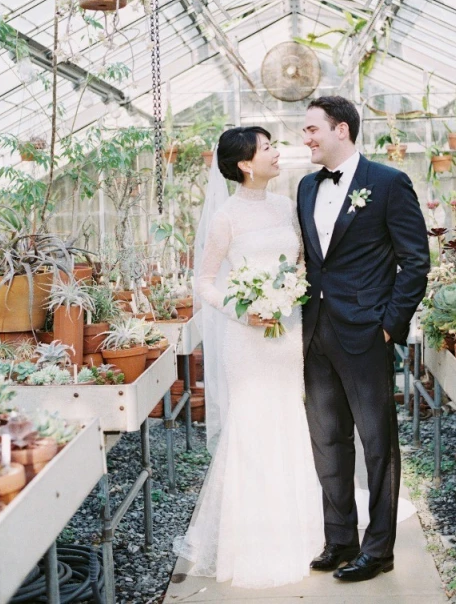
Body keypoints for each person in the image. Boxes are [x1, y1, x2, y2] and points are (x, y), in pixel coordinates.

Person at [173, 126, 324, 589]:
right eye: (268, 148)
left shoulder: (285, 207)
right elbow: (204, 281)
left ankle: (302, 531)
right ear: (244, 164)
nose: (278, 153)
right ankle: (253, 540)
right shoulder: (226, 218)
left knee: (287, 421)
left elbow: (301, 261)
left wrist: (289, 293)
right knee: (252, 427)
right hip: (247, 339)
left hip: (285, 336)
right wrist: (243, 309)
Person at [297, 96, 430, 583]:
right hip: (316, 331)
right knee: (328, 439)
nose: (305, 138)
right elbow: (315, 262)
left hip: (368, 331)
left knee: (377, 443)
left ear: (342, 131)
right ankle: (340, 539)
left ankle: (379, 549)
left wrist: (391, 323)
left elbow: (415, 260)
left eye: (312, 129)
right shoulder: (306, 188)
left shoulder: (389, 183)